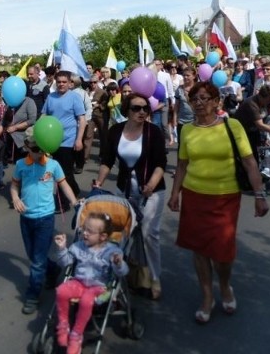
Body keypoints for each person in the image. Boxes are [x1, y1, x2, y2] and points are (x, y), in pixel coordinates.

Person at [167, 81, 269, 324]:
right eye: (195, 99)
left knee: (222, 252)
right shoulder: (187, 131)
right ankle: (207, 295)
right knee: (199, 249)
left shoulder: (231, 126)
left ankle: (224, 286)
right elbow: (181, 165)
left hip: (225, 197)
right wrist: (175, 194)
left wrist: (259, 195)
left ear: (216, 102)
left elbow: (249, 162)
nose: (200, 103)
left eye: (205, 98)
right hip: (194, 195)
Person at [93, 93, 167, 300]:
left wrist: (151, 184)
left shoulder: (153, 132)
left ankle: (154, 277)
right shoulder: (116, 131)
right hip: (124, 189)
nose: (142, 112)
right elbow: (107, 160)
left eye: (145, 108)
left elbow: (161, 163)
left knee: (148, 233)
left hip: (152, 190)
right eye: (136, 108)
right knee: (121, 234)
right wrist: (98, 182)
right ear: (127, 110)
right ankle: (122, 277)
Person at [10, 127, 79, 315]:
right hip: (26, 219)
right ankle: (53, 269)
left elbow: (64, 184)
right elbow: (14, 185)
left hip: (46, 218)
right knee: (34, 256)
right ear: (26, 146)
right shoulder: (20, 165)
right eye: (36, 148)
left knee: (37, 260)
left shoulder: (53, 165)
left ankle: (33, 294)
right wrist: (15, 198)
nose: (40, 152)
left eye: (43, 148)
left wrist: (74, 202)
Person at [54, 212, 129, 353]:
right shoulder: (78, 246)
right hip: (79, 282)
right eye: (84, 229)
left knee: (86, 300)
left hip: (100, 288)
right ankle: (63, 326)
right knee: (61, 291)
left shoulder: (112, 251)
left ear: (103, 236)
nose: (85, 233)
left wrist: (119, 264)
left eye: (90, 231)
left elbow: (123, 273)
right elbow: (66, 263)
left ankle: (76, 335)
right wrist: (62, 249)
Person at [41, 70, 86, 206]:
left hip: (68, 141)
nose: (61, 84)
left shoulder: (74, 97)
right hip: (52, 142)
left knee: (64, 172)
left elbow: (82, 120)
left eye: (64, 82)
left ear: (69, 83)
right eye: (59, 82)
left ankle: (64, 203)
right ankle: (75, 191)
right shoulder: (51, 97)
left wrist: (79, 140)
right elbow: (43, 116)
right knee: (56, 171)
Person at [232, 84, 270, 163]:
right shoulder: (252, 104)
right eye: (268, 100)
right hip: (242, 131)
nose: (269, 102)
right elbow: (260, 125)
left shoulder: (267, 100)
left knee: (259, 151)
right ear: (261, 96)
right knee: (250, 156)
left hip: (253, 129)